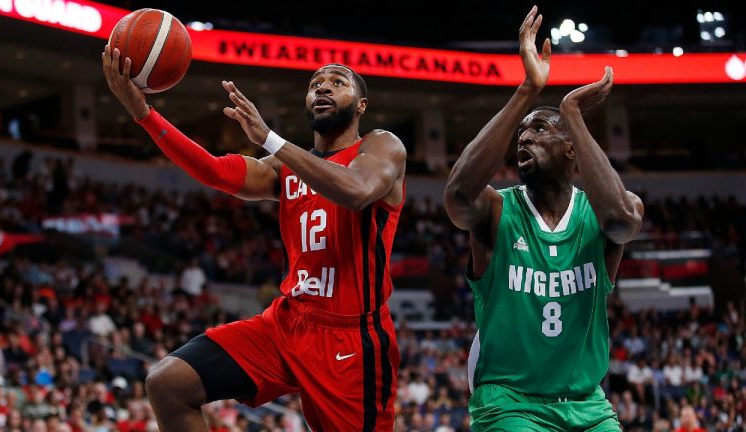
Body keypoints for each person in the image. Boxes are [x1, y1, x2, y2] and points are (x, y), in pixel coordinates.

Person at [102, 45, 406, 431]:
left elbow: (357, 190)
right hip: (287, 323)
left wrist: (271, 139)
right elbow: (215, 172)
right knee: (168, 383)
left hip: (352, 340)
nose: (323, 88)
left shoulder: (382, 145)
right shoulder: (285, 167)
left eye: (337, 82)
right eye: (315, 84)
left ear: (361, 105)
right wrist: (144, 114)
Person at [444, 6, 644, 431]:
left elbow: (624, 223)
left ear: (572, 148)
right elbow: (458, 195)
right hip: (511, 402)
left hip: (587, 405)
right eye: (522, 133)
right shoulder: (498, 209)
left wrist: (572, 112)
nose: (525, 136)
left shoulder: (605, 211)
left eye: (540, 130)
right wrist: (527, 92)